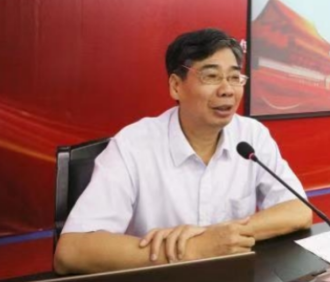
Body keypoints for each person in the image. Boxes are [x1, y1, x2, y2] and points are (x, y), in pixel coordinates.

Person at [54, 28, 313, 274]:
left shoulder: (251, 135)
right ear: (176, 86)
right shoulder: (133, 145)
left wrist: (218, 236)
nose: (227, 90)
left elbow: (299, 210)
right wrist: (191, 249)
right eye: (211, 76)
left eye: (235, 77)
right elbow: (70, 252)